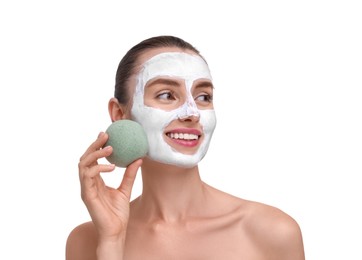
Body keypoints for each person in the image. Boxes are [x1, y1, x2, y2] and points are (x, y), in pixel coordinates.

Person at [66, 35, 305, 260]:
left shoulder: (272, 232)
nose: (192, 113)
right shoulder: (88, 240)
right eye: (167, 95)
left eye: (203, 97)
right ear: (120, 114)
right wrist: (112, 242)